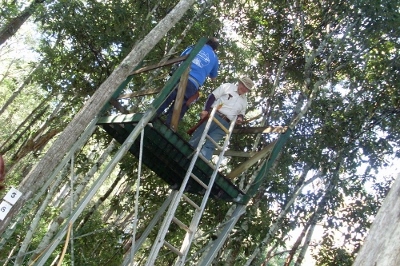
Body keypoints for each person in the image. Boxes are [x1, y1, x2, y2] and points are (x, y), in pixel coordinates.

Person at [188, 77, 254, 160]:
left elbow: (241, 114)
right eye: (243, 86)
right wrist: (205, 110)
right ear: (240, 83)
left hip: (225, 125)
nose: (244, 89)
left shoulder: (244, 101)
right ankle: (184, 155)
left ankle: (200, 164)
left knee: (211, 145)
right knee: (198, 137)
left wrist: (240, 119)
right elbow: (213, 96)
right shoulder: (228, 87)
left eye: (247, 88)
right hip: (214, 115)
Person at [158, 37, 220, 125]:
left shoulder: (195, 47)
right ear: (215, 48)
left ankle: (151, 117)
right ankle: (169, 126)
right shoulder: (214, 58)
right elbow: (213, 78)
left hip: (180, 76)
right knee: (180, 106)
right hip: (193, 84)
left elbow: (181, 57)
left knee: (166, 98)